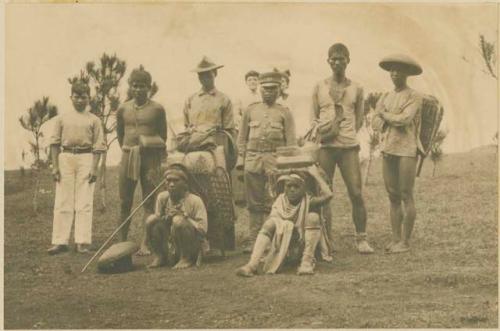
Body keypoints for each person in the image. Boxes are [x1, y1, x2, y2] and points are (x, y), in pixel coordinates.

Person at [311, 43, 374, 254]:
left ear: (348, 60)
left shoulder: (356, 88)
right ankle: (325, 239)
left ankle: (361, 239)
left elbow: (358, 120)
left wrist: (344, 133)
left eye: (341, 58)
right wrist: (328, 131)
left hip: (348, 147)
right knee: (323, 192)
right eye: (333, 58)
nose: (337, 62)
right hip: (326, 147)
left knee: (356, 192)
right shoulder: (319, 87)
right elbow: (314, 119)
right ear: (328, 61)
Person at [237, 71, 297, 253]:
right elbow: (242, 139)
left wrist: (287, 167)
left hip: (275, 162)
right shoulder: (250, 110)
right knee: (254, 203)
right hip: (253, 160)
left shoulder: (284, 113)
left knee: (275, 201)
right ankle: (254, 239)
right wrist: (242, 161)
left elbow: (291, 143)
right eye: (265, 89)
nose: (268, 92)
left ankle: (273, 239)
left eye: (273, 89)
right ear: (260, 89)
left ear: (279, 90)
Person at [371, 54, 424, 254]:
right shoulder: (385, 96)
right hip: (388, 148)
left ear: (407, 74)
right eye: (392, 70)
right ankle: (395, 239)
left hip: (407, 149)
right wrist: (385, 116)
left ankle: (405, 241)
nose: (394, 74)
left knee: (405, 194)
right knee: (392, 195)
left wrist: (384, 115)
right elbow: (375, 123)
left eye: (399, 70)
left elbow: (405, 120)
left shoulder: (414, 96)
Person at [236, 169, 333, 277]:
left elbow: (328, 195)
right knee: (270, 223)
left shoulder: (308, 201)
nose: (292, 190)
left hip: (302, 245)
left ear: (303, 188)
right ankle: (252, 265)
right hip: (281, 246)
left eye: (296, 186)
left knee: (313, 217)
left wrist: (316, 175)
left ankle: (306, 262)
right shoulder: (280, 201)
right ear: (284, 188)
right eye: (289, 186)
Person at [47, 79, 105, 255]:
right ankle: (60, 241)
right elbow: (54, 143)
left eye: (84, 97)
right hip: (66, 158)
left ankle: (82, 241)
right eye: (77, 96)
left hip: (86, 157)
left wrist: (94, 168)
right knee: (63, 200)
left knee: (84, 201)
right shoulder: (61, 119)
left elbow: (98, 146)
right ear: (71, 97)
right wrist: (55, 167)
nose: (80, 100)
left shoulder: (94, 120)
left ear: (89, 98)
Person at [116, 66, 167, 255]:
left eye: (143, 86)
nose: (138, 90)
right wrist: (131, 150)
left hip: (150, 158)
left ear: (149, 87)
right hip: (129, 155)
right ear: (130, 86)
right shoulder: (123, 109)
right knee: (124, 201)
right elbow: (121, 135)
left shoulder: (157, 109)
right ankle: (121, 242)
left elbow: (163, 137)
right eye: (135, 86)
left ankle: (146, 243)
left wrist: (151, 149)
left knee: (149, 201)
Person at [145, 166, 208, 269]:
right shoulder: (162, 198)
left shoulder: (195, 201)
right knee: (152, 220)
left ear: (185, 184)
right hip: (171, 242)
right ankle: (160, 256)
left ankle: (186, 258)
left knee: (178, 220)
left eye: (176, 181)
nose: (171, 184)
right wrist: (167, 217)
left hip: (192, 243)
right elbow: (158, 223)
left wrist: (185, 217)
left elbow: (202, 230)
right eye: (168, 181)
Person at [183, 56, 237, 170]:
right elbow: (186, 126)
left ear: (215, 74)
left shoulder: (223, 99)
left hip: (215, 148)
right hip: (193, 147)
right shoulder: (191, 99)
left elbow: (229, 131)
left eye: (208, 74)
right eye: (201, 75)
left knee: (219, 180)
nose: (204, 78)